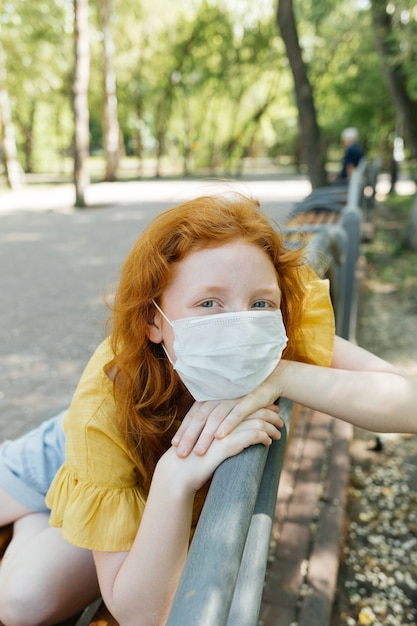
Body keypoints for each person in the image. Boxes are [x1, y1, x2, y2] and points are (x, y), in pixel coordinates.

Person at [0, 192, 416, 626]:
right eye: (208, 304)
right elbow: (141, 614)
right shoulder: (105, 402)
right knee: (20, 605)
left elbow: (409, 404)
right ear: (153, 320)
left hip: (134, 496)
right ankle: (40, 510)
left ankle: (37, 521)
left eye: (260, 303)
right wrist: (174, 475)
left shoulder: (281, 337)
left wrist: (285, 375)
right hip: (67, 456)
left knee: (23, 602)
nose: (240, 322)